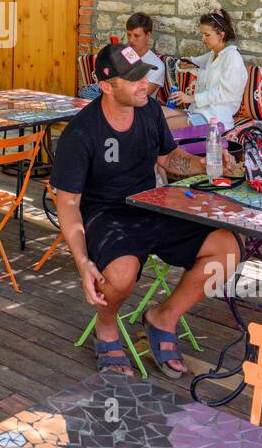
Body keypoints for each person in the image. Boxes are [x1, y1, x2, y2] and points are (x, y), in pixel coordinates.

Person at [51, 42, 241, 378]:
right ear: (107, 87)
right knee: (121, 273)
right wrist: (82, 262)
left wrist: (204, 165)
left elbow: (168, 158)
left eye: (143, 75)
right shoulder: (81, 133)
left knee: (226, 249)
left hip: (152, 204)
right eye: (134, 79)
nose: (144, 84)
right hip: (106, 214)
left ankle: (163, 317)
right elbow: (67, 204)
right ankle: (106, 328)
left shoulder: (149, 111)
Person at [166, 8, 248, 132]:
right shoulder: (212, 55)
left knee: (163, 125)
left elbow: (226, 94)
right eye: (202, 35)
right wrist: (181, 65)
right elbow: (190, 62)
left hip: (216, 118)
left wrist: (191, 98)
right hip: (198, 111)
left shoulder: (232, 57)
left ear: (221, 34)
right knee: (156, 114)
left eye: (207, 35)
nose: (203, 39)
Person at [124, 12, 167, 98]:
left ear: (148, 35)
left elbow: (140, 95)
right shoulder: (124, 54)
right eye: (129, 35)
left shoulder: (156, 65)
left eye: (136, 35)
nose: (131, 40)